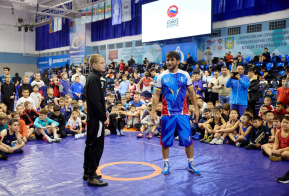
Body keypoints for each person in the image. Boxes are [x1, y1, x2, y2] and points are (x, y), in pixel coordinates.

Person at [151, 51, 200, 175]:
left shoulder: (185, 75)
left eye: (172, 60)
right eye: (168, 60)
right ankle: (166, 163)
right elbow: (156, 95)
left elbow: (192, 93)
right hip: (167, 114)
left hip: (183, 113)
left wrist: (197, 108)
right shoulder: (161, 76)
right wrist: (153, 112)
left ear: (178, 61)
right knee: (165, 141)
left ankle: (190, 163)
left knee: (188, 140)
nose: (169, 62)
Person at [83, 54, 109, 186]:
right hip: (96, 118)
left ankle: (87, 172)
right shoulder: (94, 78)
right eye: (102, 63)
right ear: (94, 65)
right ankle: (92, 176)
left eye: (104, 62)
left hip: (93, 117)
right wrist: (104, 117)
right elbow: (95, 101)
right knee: (96, 147)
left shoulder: (93, 77)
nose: (105, 64)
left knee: (90, 144)